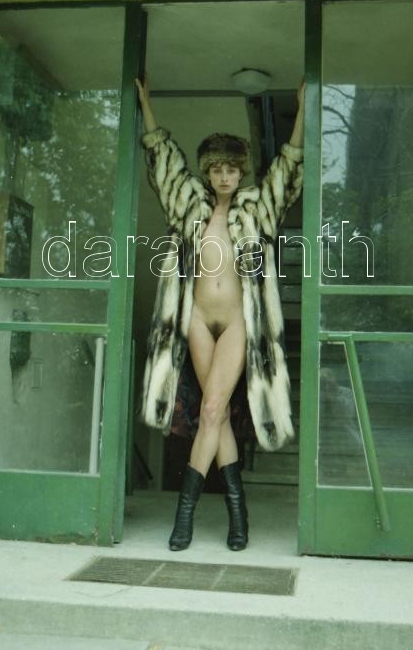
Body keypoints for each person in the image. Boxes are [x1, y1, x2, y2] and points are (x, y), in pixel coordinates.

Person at [136, 76, 304, 551]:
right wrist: (147, 109)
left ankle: (184, 516)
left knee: (211, 409)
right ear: (208, 173)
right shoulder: (189, 206)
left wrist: (301, 115)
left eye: (232, 169)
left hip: (236, 322)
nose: (225, 177)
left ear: (241, 172)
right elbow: (162, 160)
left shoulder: (257, 209)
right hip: (195, 319)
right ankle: (238, 513)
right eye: (217, 169)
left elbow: (288, 170)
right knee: (219, 416)